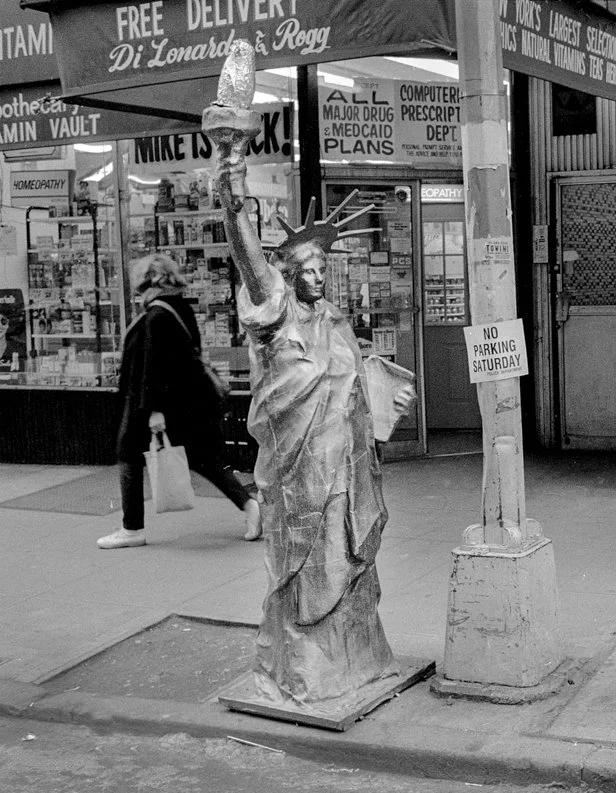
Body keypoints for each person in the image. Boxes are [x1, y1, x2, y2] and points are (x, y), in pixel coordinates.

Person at [210, 112, 415, 712]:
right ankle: (307, 664)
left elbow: (354, 380)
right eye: (308, 271)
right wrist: (231, 174)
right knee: (307, 558)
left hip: (346, 463)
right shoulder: (275, 313)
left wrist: (384, 394)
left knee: (348, 553)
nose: (319, 279)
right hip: (300, 467)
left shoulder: (335, 321)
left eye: (324, 270)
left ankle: (354, 658)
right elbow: (246, 251)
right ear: (289, 276)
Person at [98, 254, 261, 550]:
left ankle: (132, 528)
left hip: (153, 404)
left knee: (128, 454)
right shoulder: (177, 307)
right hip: (184, 402)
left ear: (148, 284)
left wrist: (154, 410)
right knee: (202, 458)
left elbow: (154, 364)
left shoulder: (157, 315)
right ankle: (249, 505)